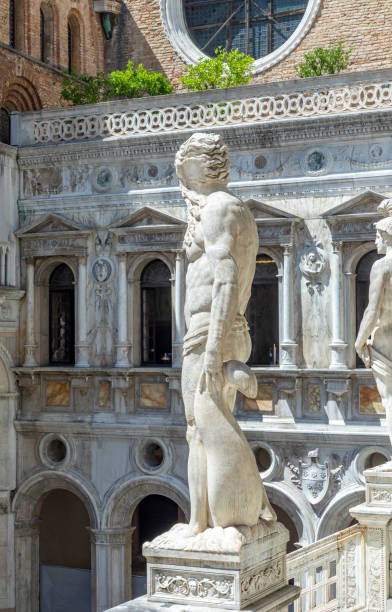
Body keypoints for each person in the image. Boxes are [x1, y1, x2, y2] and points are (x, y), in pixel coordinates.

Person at [176, 133, 275, 536]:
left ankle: (203, 522)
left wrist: (214, 348)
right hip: (228, 329)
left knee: (198, 427)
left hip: (209, 334)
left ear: (198, 166)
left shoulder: (217, 207)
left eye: (183, 167)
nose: (179, 175)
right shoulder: (237, 209)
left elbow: (225, 278)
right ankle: (215, 516)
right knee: (211, 423)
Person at [355, 199, 392, 449]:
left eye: (377, 235)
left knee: (390, 400)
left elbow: (372, 310)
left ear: (387, 236)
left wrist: (359, 342)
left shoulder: (381, 266)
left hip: (385, 340)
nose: (375, 241)